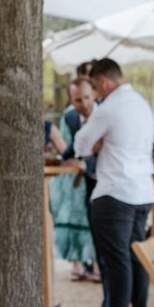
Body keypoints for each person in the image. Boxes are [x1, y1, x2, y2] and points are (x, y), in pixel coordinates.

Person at [75, 57, 154, 307]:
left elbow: (81, 144)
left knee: (116, 259)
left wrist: (97, 144)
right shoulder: (142, 105)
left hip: (114, 191)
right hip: (143, 191)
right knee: (136, 256)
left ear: (105, 82)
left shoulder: (108, 108)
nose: (95, 94)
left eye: (96, 87)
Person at [54, 75, 100, 286]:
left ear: (94, 95)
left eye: (87, 98)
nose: (84, 104)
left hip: (101, 178)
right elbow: (70, 149)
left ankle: (98, 264)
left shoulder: (104, 115)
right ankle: (79, 262)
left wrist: (88, 164)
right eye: (78, 100)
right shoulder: (70, 118)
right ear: (71, 100)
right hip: (77, 178)